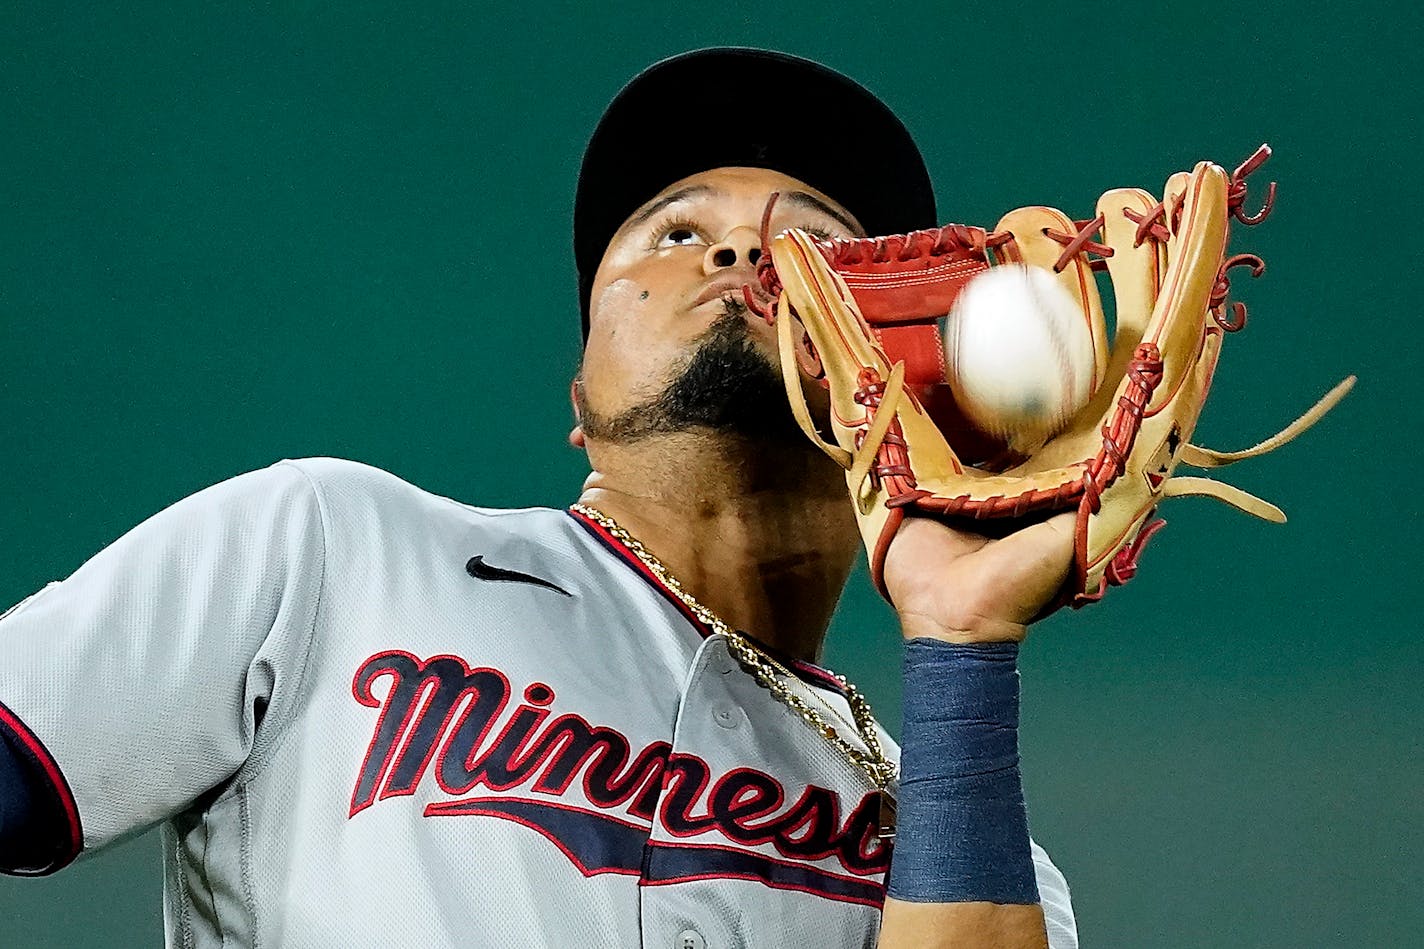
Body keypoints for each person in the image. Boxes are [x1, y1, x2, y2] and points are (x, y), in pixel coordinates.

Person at [0, 49, 1078, 948]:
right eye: (672, 232)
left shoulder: (961, 825)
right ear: (582, 393)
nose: (746, 249)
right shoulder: (333, 553)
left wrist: (964, 643)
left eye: (815, 243)